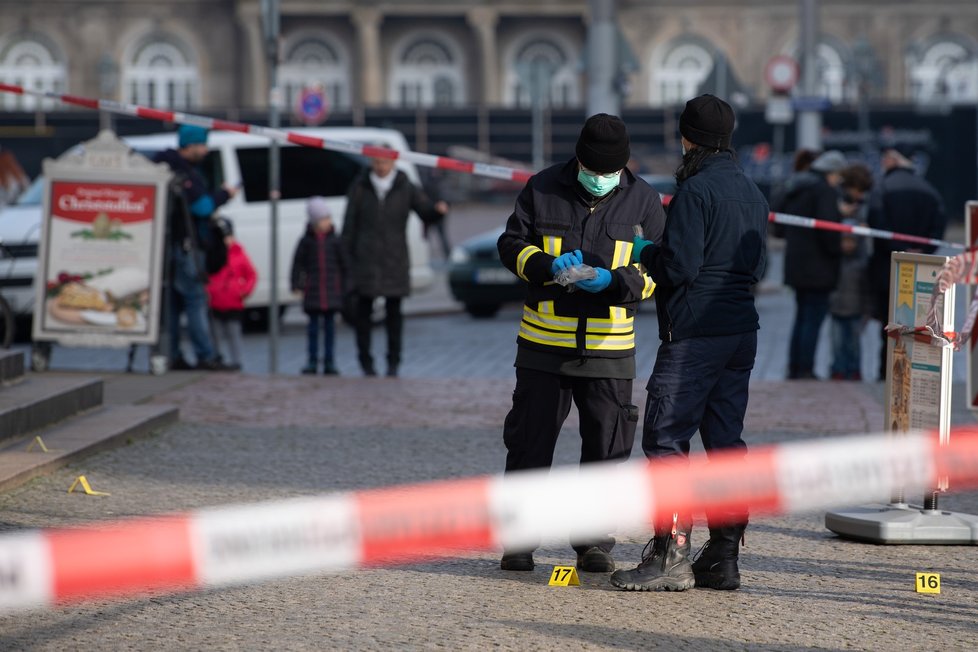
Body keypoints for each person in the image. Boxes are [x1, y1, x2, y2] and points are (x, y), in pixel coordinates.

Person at [611, 94, 768, 592]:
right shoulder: (753, 193)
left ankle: (669, 556)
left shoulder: (694, 192)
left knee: (666, 439)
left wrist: (646, 252)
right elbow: (759, 268)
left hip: (694, 334)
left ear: (687, 138)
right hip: (740, 333)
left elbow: (679, 267)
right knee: (726, 446)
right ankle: (722, 557)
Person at [496, 113, 666, 573]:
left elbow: (658, 275)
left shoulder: (646, 202)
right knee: (530, 445)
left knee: (606, 451)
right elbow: (511, 244)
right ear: (578, 161)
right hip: (542, 347)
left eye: (608, 172)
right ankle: (519, 540)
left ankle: (592, 542)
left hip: (609, 349)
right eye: (592, 170)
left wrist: (614, 281)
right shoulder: (542, 187)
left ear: (623, 166)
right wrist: (547, 265)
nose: (599, 180)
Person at [341, 156, 448, 377]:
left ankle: (393, 362)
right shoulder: (360, 186)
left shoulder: (404, 186)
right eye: (377, 163)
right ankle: (365, 361)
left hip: (394, 259)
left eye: (385, 163)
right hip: (365, 260)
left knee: (394, 313)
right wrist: (347, 259)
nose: (380, 167)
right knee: (363, 312)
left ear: (392, 164)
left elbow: (424, 210)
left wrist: (437, 211)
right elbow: (349, 224)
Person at [154, 124, 237, 371]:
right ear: (189, 146)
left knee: (174, 303)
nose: (205, 150)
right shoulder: (183, 173)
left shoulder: (170, 167)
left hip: (175, 246)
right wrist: (223, 195)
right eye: (201, 145)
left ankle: (173, 354)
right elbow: (201, 207)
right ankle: (206, 355)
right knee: (195, 300)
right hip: (186, 246)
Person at [867, 146, 946, 381]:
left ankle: (887, 373)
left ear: (892, 160)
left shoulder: (881, 188)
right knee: (915, 323)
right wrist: (922, 250)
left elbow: (876, 224)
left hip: (887, 267)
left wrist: (896, 250)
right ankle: (914, 373)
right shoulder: (929, 190)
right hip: (921, 267)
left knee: (888, 322)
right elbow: (938, 226)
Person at [777, 149, 848, 380]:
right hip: (819, 267)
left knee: (801, 317)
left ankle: (794, 367)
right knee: (813, 319)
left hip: (796, 263)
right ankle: (806, 369)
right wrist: (838, 249)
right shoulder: (824, 191)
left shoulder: (796, 186)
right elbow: (828, 231)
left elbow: (779, 226)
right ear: (831, 172)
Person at [292, 197, 349, 375]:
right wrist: (297, 284)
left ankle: (330, 360)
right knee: (313, 329)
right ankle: (312, 359)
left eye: (327, 218)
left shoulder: (336, 241)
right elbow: (297, 264)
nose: (326, 222)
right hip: (313, 293)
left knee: (330, 329)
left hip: (332, 292)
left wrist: (347, 286)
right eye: (322, 219)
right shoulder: (306, 241)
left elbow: (346, 265)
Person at [828, 164, 874, 381]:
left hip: (853, 300)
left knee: (853, 340)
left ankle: (852, 369)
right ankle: (839, 368)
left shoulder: (859, 263)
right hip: (839, 301)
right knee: (838, 339)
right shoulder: (838, 202)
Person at [206, 217, 257, 372]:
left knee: (234, 333)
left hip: (233, 302)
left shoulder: (239, 254)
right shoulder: (213, 254)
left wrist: (245, 291)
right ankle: (217, 358)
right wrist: (208, 292)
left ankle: (237, 361)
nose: (227, 240)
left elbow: (251, 275)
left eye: (229, 237)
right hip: (215, 301)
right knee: (215, 333)